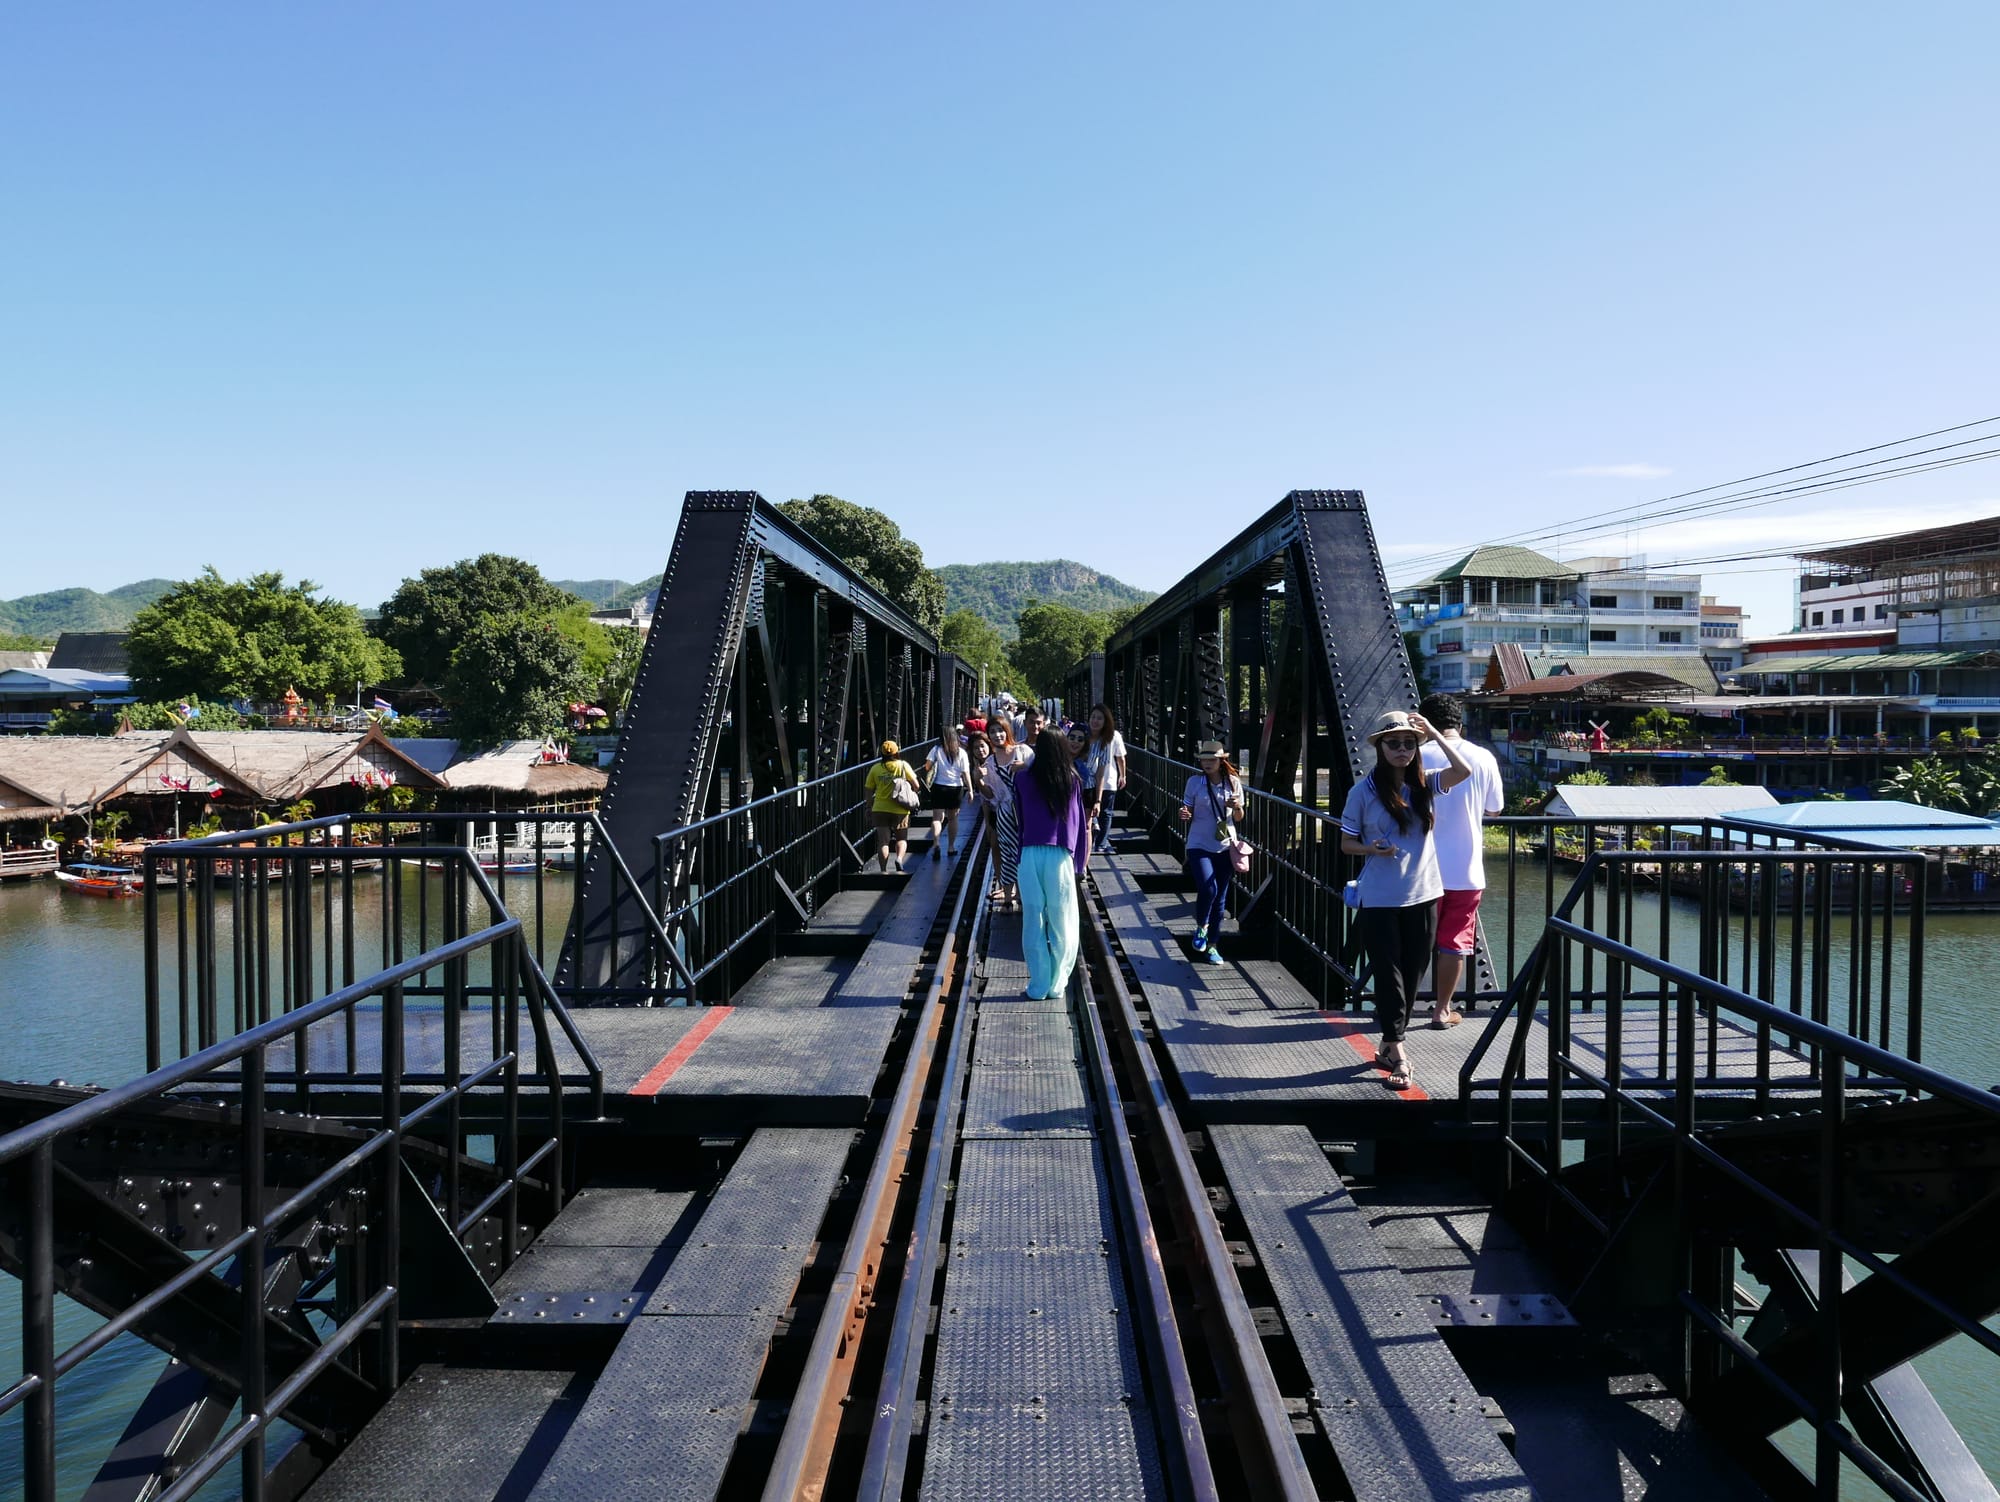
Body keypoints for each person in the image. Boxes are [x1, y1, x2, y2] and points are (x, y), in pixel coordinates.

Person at [1339, 710, 1470, 1091]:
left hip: (1425, 893)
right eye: (1393, 743)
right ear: (1380, 747)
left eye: (1409, 743)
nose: (1402, 749)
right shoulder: (1361, 792)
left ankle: (1385, 1043)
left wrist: (1433, 732)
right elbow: (1346, 843)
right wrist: (1370, 848)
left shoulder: (1424, 785)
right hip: (1379, 898)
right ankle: (1398, 1051)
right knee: (1388, 974)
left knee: (1413, 971)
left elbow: (1462, 771)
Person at [1418, 693, 1505, 1028]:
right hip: (1466, 870)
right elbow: (1494, 809)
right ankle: (1442, 1009)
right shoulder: (1483, 757)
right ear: (1459, 724)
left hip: (1421, 869)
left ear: (1423, 724)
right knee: (1454, 941)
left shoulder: (1415, 754)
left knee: (1415, 939)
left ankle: (1400, 1006)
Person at [1013, 727, 1091, 998]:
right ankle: (1058, 984)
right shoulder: (1072, 780)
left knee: (1033, 919)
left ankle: (1038, 985)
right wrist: (1079, 862)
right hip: (1059, 855)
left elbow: (1019, 820)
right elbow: (1079, 825)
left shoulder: (1022, 779)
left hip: (1030, 852)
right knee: (1063, 920)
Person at [1176, 739, 1245, 966]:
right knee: (1208, 886)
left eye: (1211, 759)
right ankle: (1202, 927)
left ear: (1221, 761)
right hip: (1198, 843)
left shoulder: (1233, 783)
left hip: (1225, 845)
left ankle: (1213, 946)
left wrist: (1237, 807)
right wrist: (1184, 814)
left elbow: (1239, 818)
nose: (1207, 763)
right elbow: (1188, 810)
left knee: (1220, 899)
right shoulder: (1194, 782)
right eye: (1204, 759)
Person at [980, 717, 1030, 906]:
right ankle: (1009, 896)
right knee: (1008, 853)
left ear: (1007, 731)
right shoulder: (990, 763)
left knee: (1025, 853)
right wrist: (979, 781)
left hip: (1026, 810)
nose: (997, 735)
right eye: (992, 732)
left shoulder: (1023, 751)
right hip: (1005, 813)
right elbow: (990, 794)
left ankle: (1024, 893)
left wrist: (1024, 766)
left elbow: (1041, 772)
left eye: (1000, 730)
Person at [863, 738, 920, 874]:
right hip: (900, 808)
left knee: (883, 841)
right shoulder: (903, 765)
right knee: (901, 838)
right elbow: (916, 785)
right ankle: (899, 859)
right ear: (896, 752)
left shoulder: (875, 768)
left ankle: (883, 870)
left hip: (880, 808)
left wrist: (868, 807)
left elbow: (868, 790)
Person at [924, 723, 972, 861]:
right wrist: (971, 790)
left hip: (939, 786)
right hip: (956, 788)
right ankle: (951, 847)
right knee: (953, 818)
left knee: (937, 818)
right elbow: (965, 773)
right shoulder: (961, 752)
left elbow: (927, 766)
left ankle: (936, 843)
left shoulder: (936, 749)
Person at [1082, 703, 1127, 850]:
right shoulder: (1083, 735)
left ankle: (1100, 843)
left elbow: (1120, 757)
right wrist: (1122, 775)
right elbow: (1120, 758)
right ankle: (1095, 841)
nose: (1095, 720)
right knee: (1099, 812)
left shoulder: (1112, 737)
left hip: (1106, 779)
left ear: (1106, 721)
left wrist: (1123, 775)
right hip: (1087, 782)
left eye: (1099, 718)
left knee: (1104, 811)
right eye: (1093, 717)